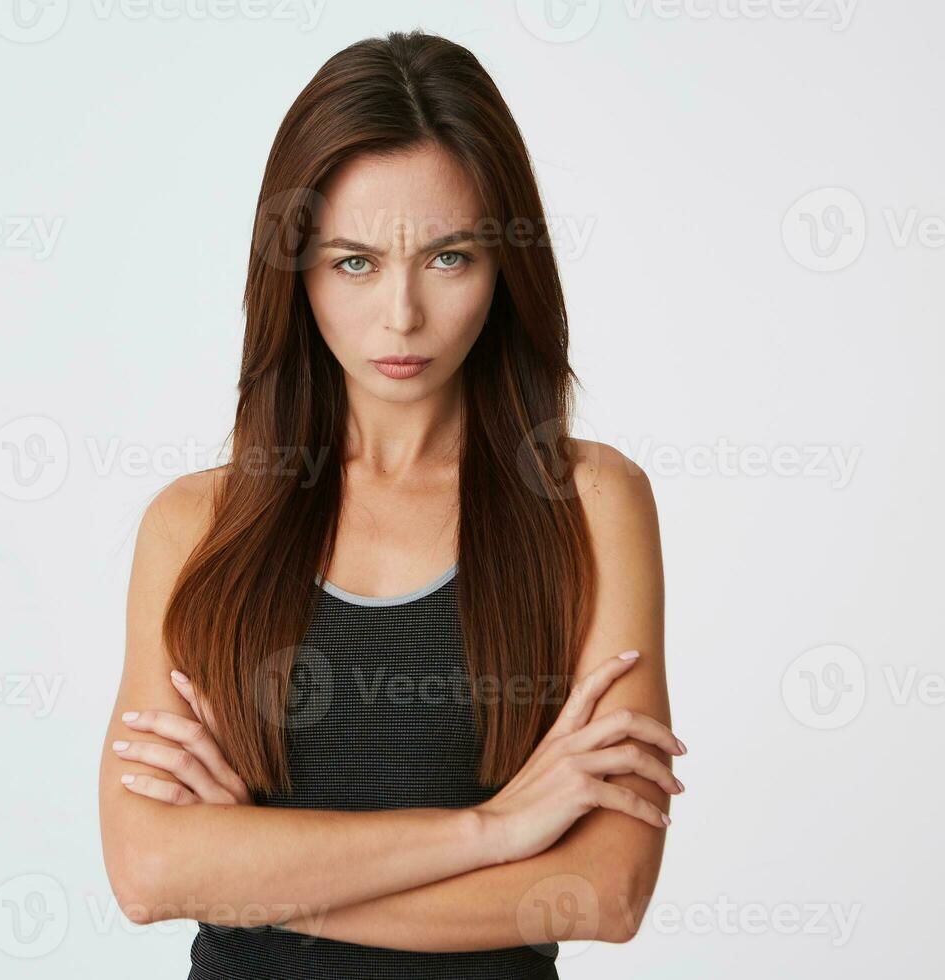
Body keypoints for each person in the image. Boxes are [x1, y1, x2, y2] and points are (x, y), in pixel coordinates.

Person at [98, 28, 684, 979]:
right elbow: (149, 869)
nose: (402, 316)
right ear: (294, 272)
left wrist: (254, 869)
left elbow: (604, 894)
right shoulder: (195, 527)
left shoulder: (588, 503)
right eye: (354, 262)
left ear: (506, 267)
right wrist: (495, 830)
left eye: (450, 258)